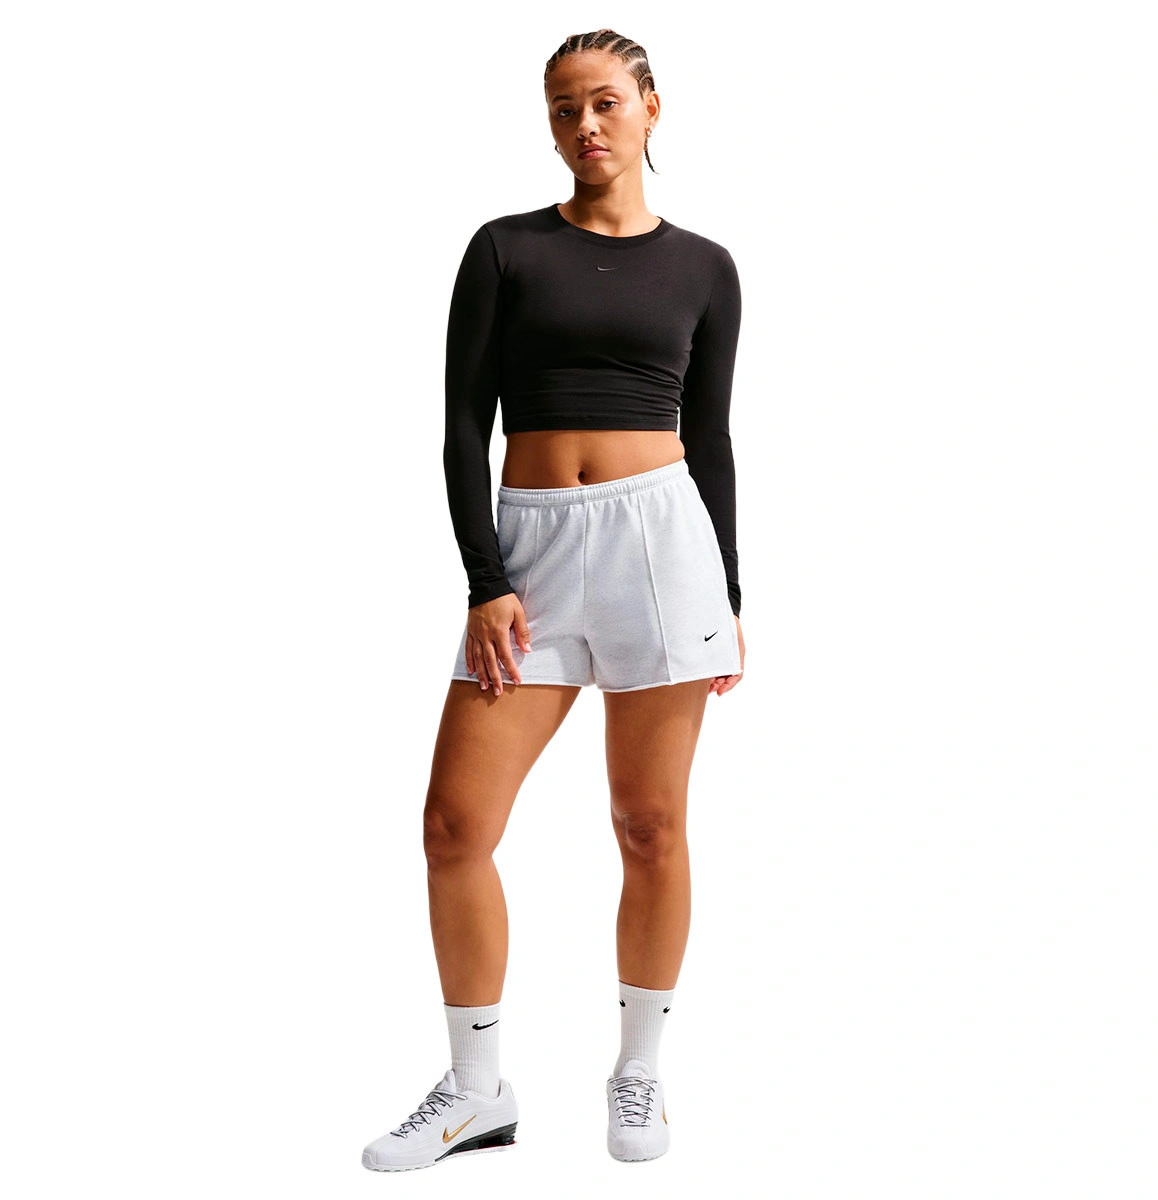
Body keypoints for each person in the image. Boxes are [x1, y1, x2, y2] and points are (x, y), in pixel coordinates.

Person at [361, 27, 745, 1171]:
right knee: (454, 827)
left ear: (651, 108)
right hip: (530, 552)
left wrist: (730, 591)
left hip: (662, 548)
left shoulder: (706, 267)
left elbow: (713, 437)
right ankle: (477, 1090)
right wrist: (486, 580)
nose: (585, 125)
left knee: (650, 824)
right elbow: (458, 427)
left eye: (605, 103)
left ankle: (639, 1072)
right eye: (564, 108)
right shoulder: (505, 250)